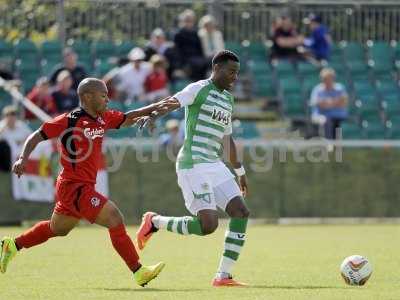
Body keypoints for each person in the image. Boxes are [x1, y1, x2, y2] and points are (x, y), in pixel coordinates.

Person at [0, 78, 165, 287]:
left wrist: (156, 107)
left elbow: (128, 118)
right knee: (114, 217)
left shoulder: (103, 118)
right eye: (103, 95)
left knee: (58, 229)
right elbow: (37, 135)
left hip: (77, 187)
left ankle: (11, 245)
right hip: (74, 186)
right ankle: (138, 271)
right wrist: (23, 158)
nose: (107, 99)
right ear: (87, 97)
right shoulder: (70, 120)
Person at [136, 50, 250, 287]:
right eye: (231, 72)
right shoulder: (199, 88)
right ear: (216, 68)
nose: (234, 77)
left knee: (241, 212)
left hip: (213, 164)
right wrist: (155, 114)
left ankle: (223, 276)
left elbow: (227, 140)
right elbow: (173, 102)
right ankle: (155, 221)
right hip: (193, 163)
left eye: (237, 73)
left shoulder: (227, 99)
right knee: (208, 225)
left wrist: (240, 172)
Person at [310, 68, 348, 139]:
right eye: (325, 79)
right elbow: (316, 103)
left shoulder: (340, 88)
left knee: (336, 124)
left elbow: (343, 103)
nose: (327, 81)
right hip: (321, 116)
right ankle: (328, 144)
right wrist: (335, 102)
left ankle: (337, 146)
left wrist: (328, 103)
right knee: (325, 121)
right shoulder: (318, 89)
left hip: (338, 116)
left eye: (329, 78)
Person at [174, 9, 208, 81]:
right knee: (197, 64)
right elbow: (177, 50)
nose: (189, 22)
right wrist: (179, 65)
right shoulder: (178, 34)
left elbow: (200, 48)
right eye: (187, 20)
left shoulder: (196, 33)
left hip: (196, 57)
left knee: (204, 63)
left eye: (191, 20)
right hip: (185, 58)